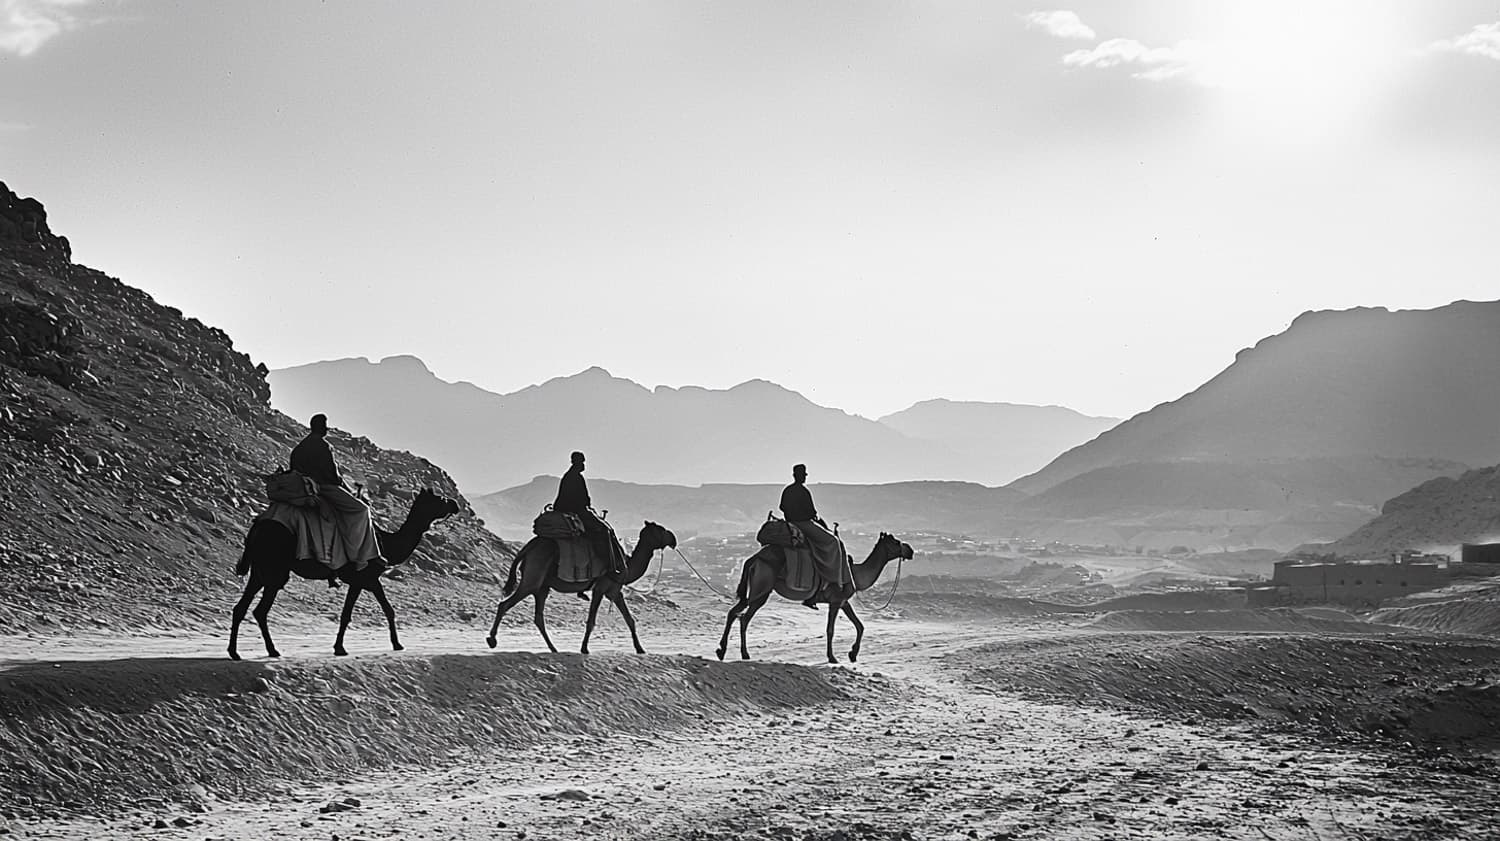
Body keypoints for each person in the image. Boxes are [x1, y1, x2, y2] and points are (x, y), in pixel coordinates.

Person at [290, 414, 382, 572]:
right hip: (323, 487)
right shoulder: (321, 446)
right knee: (361, 510)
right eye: (324, 425)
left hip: (302, 487)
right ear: (319, 427)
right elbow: (332, 475)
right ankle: (360, 556)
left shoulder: (300, 448)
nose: (326, 428)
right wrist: (345, 486)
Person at [780, 463, 848, 608]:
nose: (804, 477)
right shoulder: (803, 491)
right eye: (803, 475)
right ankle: (833, 581)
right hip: (803, 523)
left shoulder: (788, 490)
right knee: (833, 541)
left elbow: (782, 507)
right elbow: (811, 513)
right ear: (798, 475)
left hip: (791, 523)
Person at [554, 451, 624, 574]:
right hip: (575, 511)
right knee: (604, 531)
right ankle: (610, 567)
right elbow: (579, 499)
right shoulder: (574, 477)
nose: (583, 465)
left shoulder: (570, 476)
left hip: (572, 510)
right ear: (577, 462)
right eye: (582, 462)